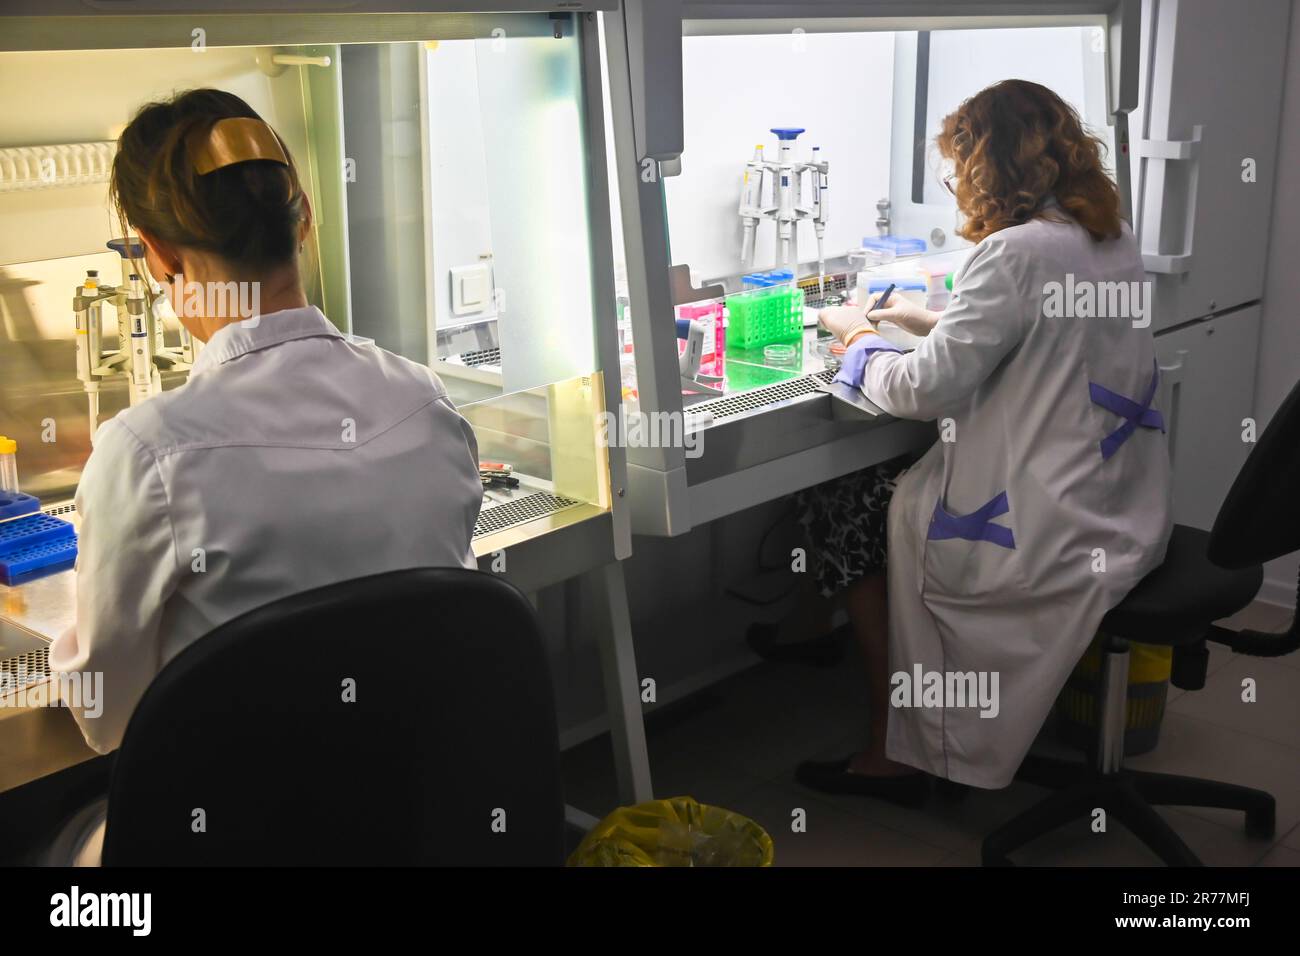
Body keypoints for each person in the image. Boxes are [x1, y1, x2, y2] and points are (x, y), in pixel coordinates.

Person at [49, 90, 484, 757]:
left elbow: (105, 721)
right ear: (303, 219)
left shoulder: (146, 453)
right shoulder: (427, 402)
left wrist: (68, 632)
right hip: (426, 817)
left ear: (159, 255)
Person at [796, 79, 1172, 803]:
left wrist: (859, 336)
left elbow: (923, 392)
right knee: (859, 497)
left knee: (845, 505)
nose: (957, 185)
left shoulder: (1015, 252)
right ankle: (813, 656)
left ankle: (896, 749)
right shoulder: (1107, 234)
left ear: (984, 167)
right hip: (1118, 506)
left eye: (957, 168)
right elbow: (1048, 343)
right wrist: (931, 317)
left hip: (1036, 521)